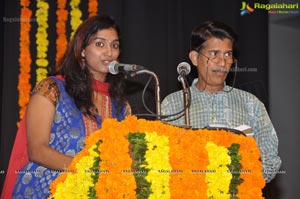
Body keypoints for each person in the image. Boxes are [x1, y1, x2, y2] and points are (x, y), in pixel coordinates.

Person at [1, 14, 131, 199]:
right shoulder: (52, 89)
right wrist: (91, 170)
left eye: (114, 45)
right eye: (100, 44)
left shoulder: (121, 106)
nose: (109, 52)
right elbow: (37, 150)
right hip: (44, 190)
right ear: (82, 50)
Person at [161, 20, 281, 183]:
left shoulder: (250, 103)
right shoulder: (173, 104)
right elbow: (160, 157)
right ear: (195, 58)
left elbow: (270, 159)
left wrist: (243, 183)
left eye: (228, 54)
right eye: (214, 54)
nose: (223, 62)